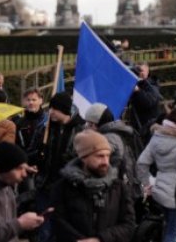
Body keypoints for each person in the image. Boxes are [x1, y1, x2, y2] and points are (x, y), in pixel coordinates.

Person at [50, 130, 136, 241]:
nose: (106, 162)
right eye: (100, 156)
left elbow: (129, 225)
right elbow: (57, 221)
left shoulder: (118, 187)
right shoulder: (62, 187)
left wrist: (100, 239)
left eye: (108, 156)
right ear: (83, 158)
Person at [28, 91, 85, 241]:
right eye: (50, 108)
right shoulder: (44, 129)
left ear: (65, 110)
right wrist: (39, 153)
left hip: (69, 188)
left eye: (55, 109)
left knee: (65, 231)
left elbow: (83, 160)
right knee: (45, 230)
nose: (51, 112)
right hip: (45, 186)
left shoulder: (80, 130)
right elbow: (31, 154)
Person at [136, 108, 176, 242]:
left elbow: (141, 162)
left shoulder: (157, 137)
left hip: (161, 189)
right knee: (174, 231)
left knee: (169, 226)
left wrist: (147, 183)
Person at [84, 103, 144, 200]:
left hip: (116, 192)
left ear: (96, 124)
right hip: (125, 187)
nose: (86, 127)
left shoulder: (108, 139)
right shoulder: (117, 132)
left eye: (89, 124)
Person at [127, 61, 163, 142]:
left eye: (141, 71)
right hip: (137, 127)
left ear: (148, 71)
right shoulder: (133, 83)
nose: (139, 73)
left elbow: (149, 101)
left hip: (150, 127)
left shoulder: (152, 85)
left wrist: (138, 91)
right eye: (137, 71)